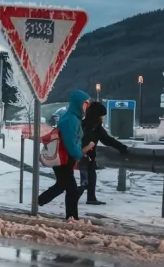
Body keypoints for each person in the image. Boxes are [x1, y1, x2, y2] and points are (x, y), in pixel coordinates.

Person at [37, 90, 95, 220]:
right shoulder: (71, 120)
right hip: (62, 158)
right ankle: (72, 218)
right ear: (78, 104)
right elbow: (70, 142)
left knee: (63, 185)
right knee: (71, 189)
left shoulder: (74, 118)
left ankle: (39, 202)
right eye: (85, 104)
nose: (87, 107)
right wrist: (79, 154)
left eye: (88, 105)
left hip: (64, 158)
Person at [78, 101, 130, 205]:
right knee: (85, 181)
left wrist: (122, 147)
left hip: (90, 157)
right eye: (102, 116)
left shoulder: (97, 128)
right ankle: (73, 198)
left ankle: (91, 198)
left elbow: (107, 140)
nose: (103, 118)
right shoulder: (83, 126)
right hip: (80, 156)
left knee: (91, 177)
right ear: (96, 115)